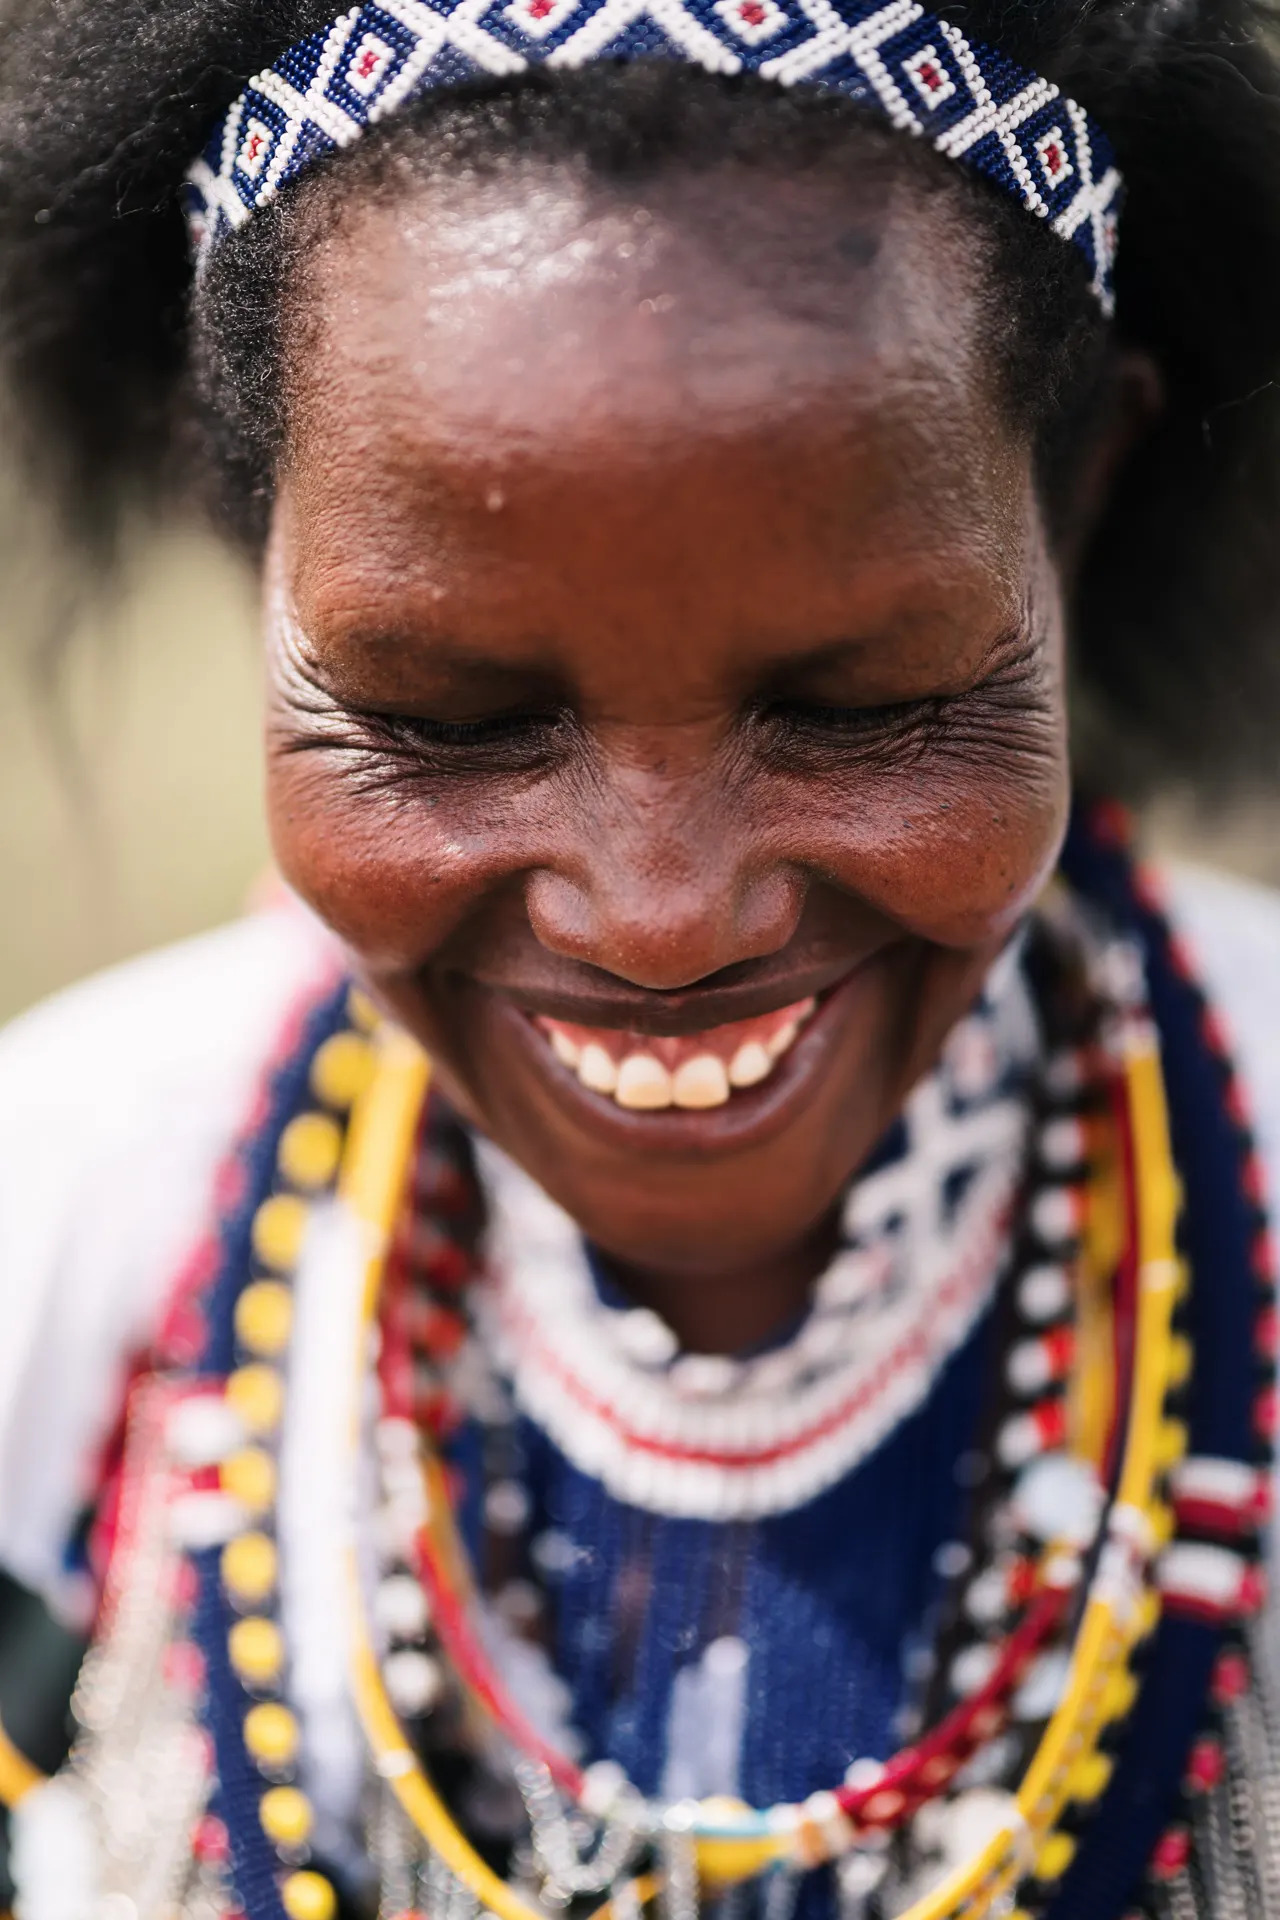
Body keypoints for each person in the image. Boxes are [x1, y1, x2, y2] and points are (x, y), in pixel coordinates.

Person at [2, 1, 1280, 1916]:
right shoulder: (69, 1229)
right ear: (264, 541)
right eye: (442, 723)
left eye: (864, 706)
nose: (664, 915)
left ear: (1077, 493)